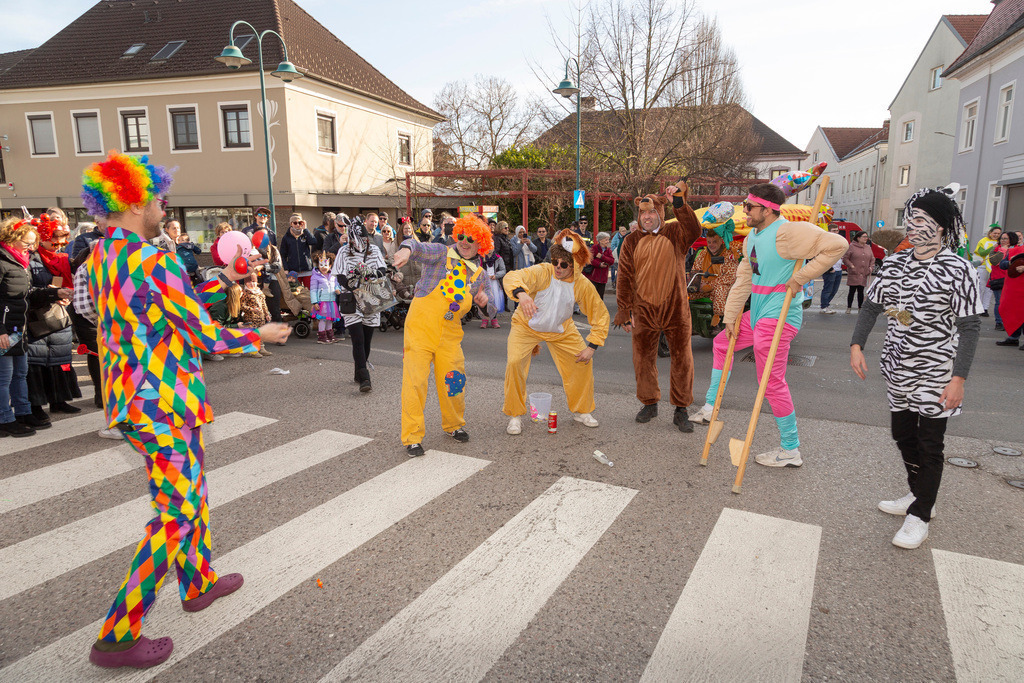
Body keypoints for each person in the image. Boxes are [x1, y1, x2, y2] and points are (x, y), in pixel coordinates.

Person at [80, 151, 291, 669]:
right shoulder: (154, 257)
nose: (161, 203)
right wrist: (256, 334)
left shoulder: (100, 257)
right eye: (155, 196)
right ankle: (117, 634)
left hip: (132, 397)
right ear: (133, 200)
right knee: (175, 514)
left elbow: (119, 313)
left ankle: (197, 583)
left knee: (186, 498)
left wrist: (205, 285)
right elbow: (200, 332)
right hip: (164, 400)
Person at [850, 187, 982, 549]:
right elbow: (872, 307)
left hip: (938, 370)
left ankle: (921, 514)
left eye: (921, 220)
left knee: (930, 443)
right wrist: (856, 345)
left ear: (941, 227)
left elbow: (970, 327)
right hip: (897, 367)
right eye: (910, 218)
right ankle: (919, 494)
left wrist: (959, 379)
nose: (912, 226)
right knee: (902, 435)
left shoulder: (959, 269)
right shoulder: (894, 263)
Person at [691, 183, 848, 467]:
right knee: (721, 342)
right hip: (759, 312)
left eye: (749, 207)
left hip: (781, 314)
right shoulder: (753, 237)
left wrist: (801, 277)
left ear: (767, 209)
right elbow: (744, 279)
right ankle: (711, 405)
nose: (745, 211)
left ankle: (790, 449)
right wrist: (730, 318)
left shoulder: (788, 232)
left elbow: (838, 245)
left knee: (770, 381)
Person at [391, 215, 490, 456]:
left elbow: (491, 309)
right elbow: (417, 246)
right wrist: (405, 250)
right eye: (463, 236)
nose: (465, 242)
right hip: (420, 330)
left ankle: (454, 425)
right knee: (414, 383)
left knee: (454, 382)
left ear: (481, 244)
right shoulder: (440, 252)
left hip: (450, 335)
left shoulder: (479, 275)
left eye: (472, 239)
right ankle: (412, 436)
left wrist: (484, 303)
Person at [502, 230, 609, 434]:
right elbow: (512, 276)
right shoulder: (543, 271)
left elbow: (600, 314)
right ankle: (515, 415)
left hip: (561, 330)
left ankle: (581, 410)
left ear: (575, 265)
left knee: (583, 362)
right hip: (526, 327)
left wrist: (592, 346)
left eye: (564, 264)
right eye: (555, 261)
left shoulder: (582, 284)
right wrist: (521, 294)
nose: (557, 267)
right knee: (514, 362)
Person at [615, 183, 702, 432]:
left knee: (682, 358)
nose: (647, 217)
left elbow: (694, 229)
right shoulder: (631, 241)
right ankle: (649, 403)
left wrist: (678, 202)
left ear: (660, 214)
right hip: (644, 309)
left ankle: (681, 409)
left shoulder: (675, 233)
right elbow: (624, 276)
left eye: (652, 213)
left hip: (675, 308)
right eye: (643, 214)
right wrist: (624, 309)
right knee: (642, 359)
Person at [25, 213, 81, 418]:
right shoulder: (30, 258)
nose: (59, 244)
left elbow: (63, 279)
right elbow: (27, 288)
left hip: (57, 316)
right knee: (37, 363)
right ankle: (36, 405)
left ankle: (59, 400)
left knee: (60, 359)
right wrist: (51, 292)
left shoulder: (62, 259)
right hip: (37, 319)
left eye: (62, 238)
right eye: (54, 239)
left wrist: (62, 295)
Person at [0, 217, 50, 436]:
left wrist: (55, 293)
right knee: (5, 376)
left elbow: (26, 293)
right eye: (27, 243)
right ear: (13, 237)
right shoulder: (3, 260)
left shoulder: (20, 260)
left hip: (18, 326)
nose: (31, 247)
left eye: (33, 243)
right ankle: (5, 418)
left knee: (20, 373)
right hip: (5, 327)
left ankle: (22, 411)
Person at [334, 219, 387, 391]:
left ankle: (358, 370)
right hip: (351, 299)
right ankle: (365, 377)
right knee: (357, 338)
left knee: (366, 340)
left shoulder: (374, 250)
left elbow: (382, 271)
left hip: (371, 297)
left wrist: (369, 272)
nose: (363, 242)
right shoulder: (343, 252)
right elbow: (340, 276)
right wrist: (354, 286)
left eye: (365, 239)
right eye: (360, 239)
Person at [687, 222, 738, 324]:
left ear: (721, 241)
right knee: (682, 293)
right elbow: (695, 272)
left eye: (714, 242)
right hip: (704, 288)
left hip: (724, 287)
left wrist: (711, 285)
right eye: (709, 242)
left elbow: (731, 277)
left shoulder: (728, 254)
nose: (711, 245)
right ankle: (686, 320)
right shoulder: (702, 254)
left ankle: (720, 320)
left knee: (720, 289)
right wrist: (697, 284)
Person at [310, 251, 342, 345]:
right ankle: (322, 337)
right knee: (323, 319)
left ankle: (330, 335)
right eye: (321, 265)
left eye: (326, 265)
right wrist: (315, 302)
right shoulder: (315, 276)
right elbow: (313, 290)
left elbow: (337, 285)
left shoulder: (333, 276)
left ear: (330, 265)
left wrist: (337, 289)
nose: (323, 267)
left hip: (331, 301)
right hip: (322, 301)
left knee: (330, 319)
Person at [987, 232, 1017, 331]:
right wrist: (1002, 250)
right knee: (999, 302)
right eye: (1002, 238)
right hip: (998, 278)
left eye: (1005, 238)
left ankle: (1010, 322)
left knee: (1011, 302)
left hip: (1012, 278)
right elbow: (994, 261)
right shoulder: (996, 249)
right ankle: (999, 322)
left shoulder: (1017, 249)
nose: (1003, 240)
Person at [996, 244, 1024, 348]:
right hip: (1013, 289)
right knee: (1011, 311)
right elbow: (1002, 265)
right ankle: (1013, 338)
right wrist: (1011, 262)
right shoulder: (1014, 251)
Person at [239, 274, 273, 357]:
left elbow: (263, 304)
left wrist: (266, 313)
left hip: (260, 318)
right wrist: (252, 309)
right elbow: (242, 306)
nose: (252, 284)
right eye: (249, 282)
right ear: (246, 283)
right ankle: (253, 350)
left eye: (254, 282)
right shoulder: (245, 293)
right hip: (251, 318)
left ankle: (261, 348)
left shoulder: (259, 292)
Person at [279, 214, 316, 287]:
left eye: (300, 223)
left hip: (307, 269)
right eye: (295, 223)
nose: (298, 225)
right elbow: (283, 255)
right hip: (293, 271)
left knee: (309, 292)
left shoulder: (305, 234)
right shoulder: (286, 238)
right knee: (296, 293)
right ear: (291, 224)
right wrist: (286, 269)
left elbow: (313, 242)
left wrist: (305, 229)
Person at [973, 224, 1001, 316]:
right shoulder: (983, 241)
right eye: (995, 233)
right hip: (983, 266)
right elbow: (982, 252)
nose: (996, 235)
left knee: (989, 289)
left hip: (994, 268)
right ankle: (979, 307)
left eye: (998, 233)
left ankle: (985, 308)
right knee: (981, 287)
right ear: (990, 233)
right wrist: (993, 247)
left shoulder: (1000, 242)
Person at [843, 230, 874, 313]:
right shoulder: (852, 246)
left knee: (861, 291)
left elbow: (872, 259)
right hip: (854, 272)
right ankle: (849, 307)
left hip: (864, 273)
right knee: (852, 291)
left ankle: (860, 308)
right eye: (864, 237)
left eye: (866, 237)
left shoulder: (868, 247)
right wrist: (851, 266)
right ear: (858, 238)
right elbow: (845, 258)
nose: (866, 238)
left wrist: (871, 267)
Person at [818, 224, 844, 314]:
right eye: (834, 230)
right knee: (828, 289)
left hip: (838, 269)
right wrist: (829, 268)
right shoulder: (826, 242)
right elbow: (822, 256)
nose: (836, 232)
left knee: (834, 290)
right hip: (830, 269)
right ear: (829, 231)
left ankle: (826, 304)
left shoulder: (838, 240)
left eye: (837, 230)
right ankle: (824, 306)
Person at [479, 250, 506, 328]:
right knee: (484, 300)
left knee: (494, 300)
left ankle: (494, 319)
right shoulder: (481, 258)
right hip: (483, 283)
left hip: (494, 283)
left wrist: (496, 275)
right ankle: (485, 319)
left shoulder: (498, 258)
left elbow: (503, 270)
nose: (489, 249)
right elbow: (477, 269)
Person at [585, 231, 615, 300]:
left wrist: (602, 257)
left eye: (608, 239)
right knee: (592, 297)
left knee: (600, 298)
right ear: (600, 240)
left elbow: (612, 261)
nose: (608, 241)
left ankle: (599, 310)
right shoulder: (594, 248)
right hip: (593, 277)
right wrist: (599, 264)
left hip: (603, 278)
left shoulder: (608, 250)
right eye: (606, 240)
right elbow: (590, 259)